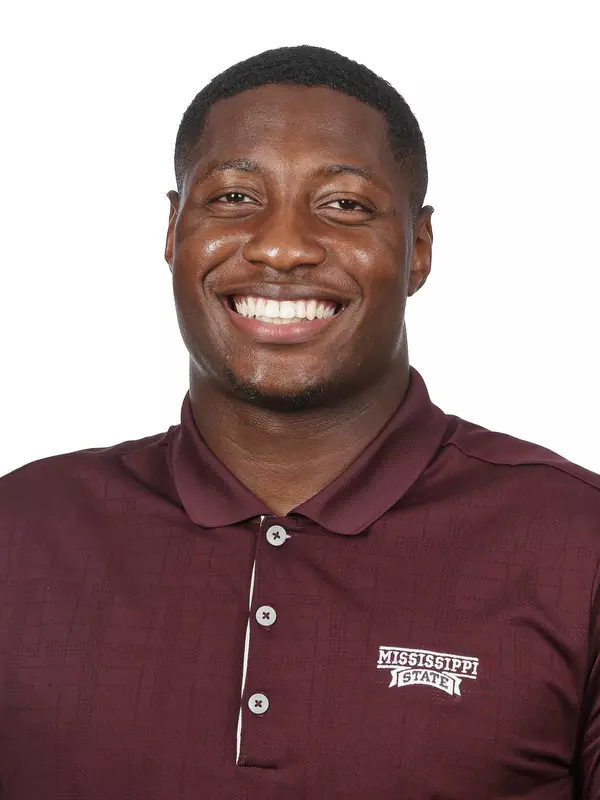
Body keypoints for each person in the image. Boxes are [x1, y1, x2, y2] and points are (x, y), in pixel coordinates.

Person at [0, 44, 598, 800]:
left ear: (419, 247)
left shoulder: (577, 545)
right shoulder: (20, 531)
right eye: (233, 199)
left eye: (344, 205)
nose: (282, 246)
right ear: (172, 231)